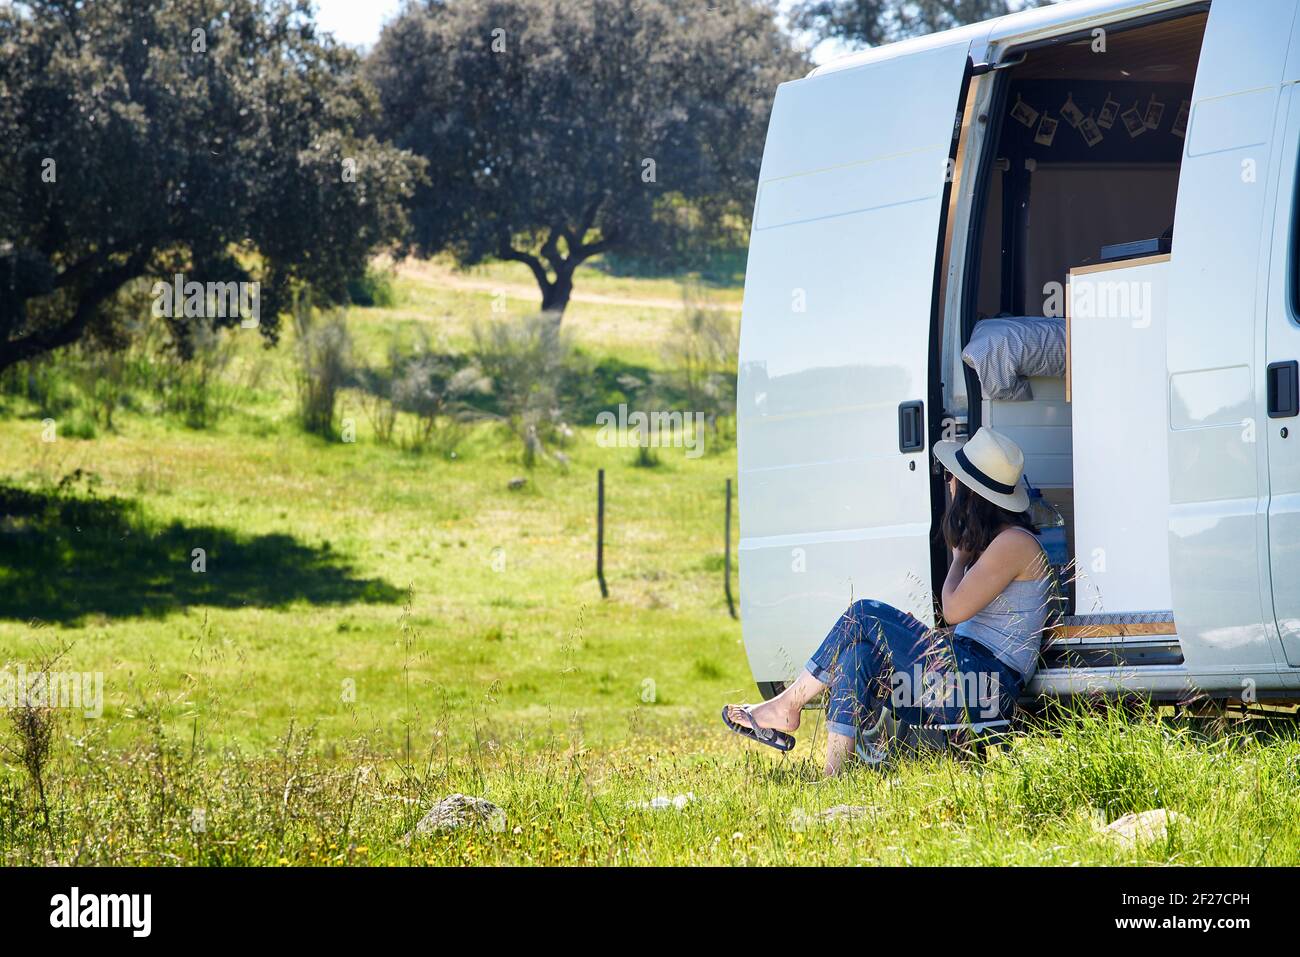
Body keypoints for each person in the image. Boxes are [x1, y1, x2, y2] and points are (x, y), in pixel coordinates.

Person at [722, 427, 1055, 775]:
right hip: (969, 681)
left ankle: (788, 704)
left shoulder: (1014, 544)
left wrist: (958, 559)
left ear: (973, 493)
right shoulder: (1000, 544)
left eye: (953, 478)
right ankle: (833, 774)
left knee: (864, 613)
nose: (950, 485)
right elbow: (960, 623)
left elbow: (954, 609)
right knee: (859, 653)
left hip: (985, 688)